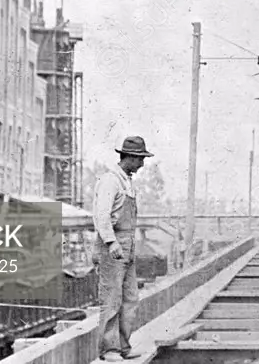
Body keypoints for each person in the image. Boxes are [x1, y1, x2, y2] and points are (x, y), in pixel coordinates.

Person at [94, 135, 153, 362]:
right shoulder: (111, 180)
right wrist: (110, 243)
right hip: (115, 244)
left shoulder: (126, 181)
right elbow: (102, 216)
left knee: (130, 298)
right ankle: (109, 349)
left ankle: (123, 346)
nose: (142, 164)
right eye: (140, 159)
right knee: (111, 298)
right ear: (129, 157)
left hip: (127, 244)